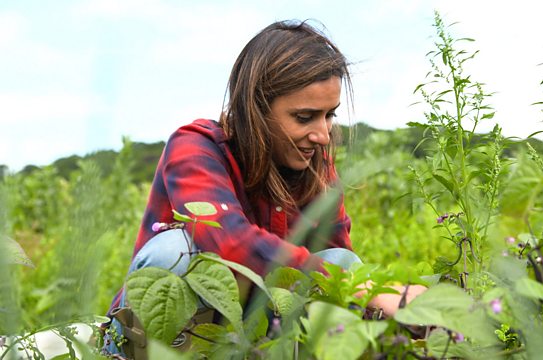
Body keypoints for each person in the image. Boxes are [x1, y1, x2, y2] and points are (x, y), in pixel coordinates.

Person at [102, 19, 425, 357]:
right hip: (182, 324)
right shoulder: (196, 147)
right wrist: (369, 290)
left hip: (246, 333)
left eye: (329, 115)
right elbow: (229, 241)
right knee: (173, 250)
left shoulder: (315, 167)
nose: (323, 135)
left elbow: (336, 263)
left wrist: (389, 302)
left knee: (341, 261)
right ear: (255, 108)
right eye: (304, 117)